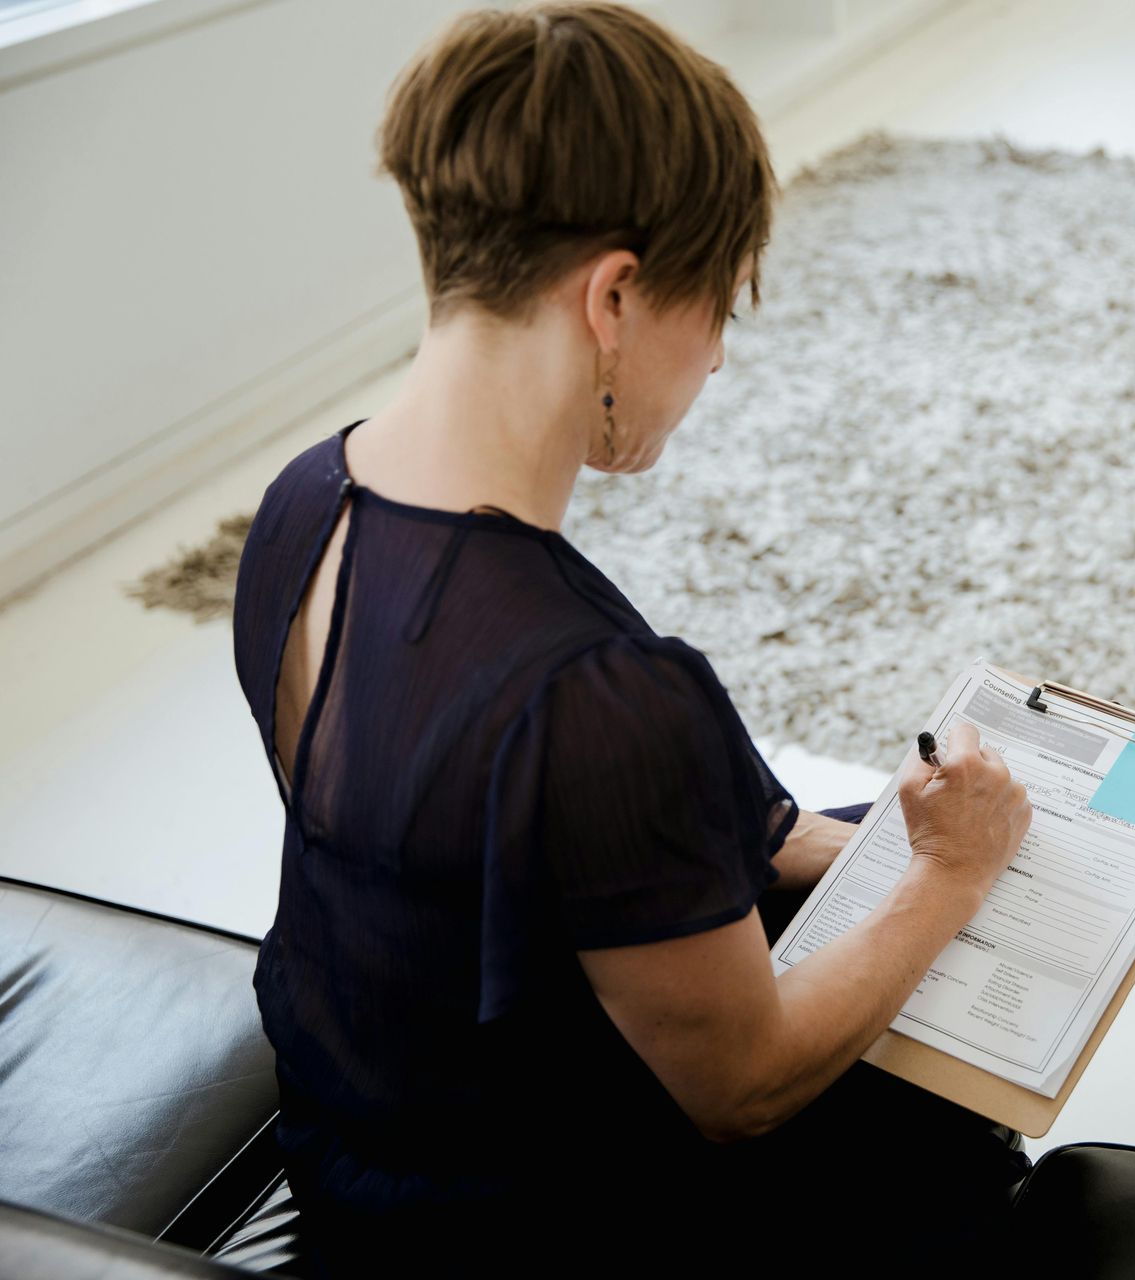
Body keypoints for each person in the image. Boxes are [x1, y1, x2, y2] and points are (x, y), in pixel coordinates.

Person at [228, 4, 1034, 1272]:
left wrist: (852, 842)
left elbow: (463, 838)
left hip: (354, 1140)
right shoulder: (599, 695)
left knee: (839, 830)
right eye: (716, 306)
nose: (713, 360)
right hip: (525, 1220)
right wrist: (948, 874)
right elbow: (747, 1086)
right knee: (961, 1111)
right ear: (613, 295)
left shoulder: (297, 505)